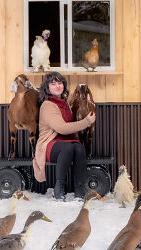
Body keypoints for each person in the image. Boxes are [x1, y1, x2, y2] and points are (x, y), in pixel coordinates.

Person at [33, 72, 96, 200]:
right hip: (49, 144)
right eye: (53, 84)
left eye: (60, 83)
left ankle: (79, 189)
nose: (57, 86)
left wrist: (89, 106)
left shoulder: (65, 102)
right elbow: (62, 128)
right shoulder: (48, 105)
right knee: (68, 147)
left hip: (67, 142)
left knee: (79, 148)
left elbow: (77, 110)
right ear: (47, 88)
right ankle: (59, 187)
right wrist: (87, 122)